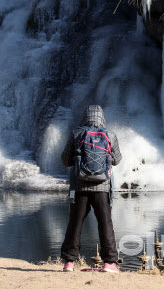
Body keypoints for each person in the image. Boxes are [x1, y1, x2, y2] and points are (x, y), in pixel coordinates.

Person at [60, 105, 122, 273]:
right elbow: (117, 160)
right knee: (105, 223)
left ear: (85, 117)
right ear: (102, 118)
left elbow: (65, 160)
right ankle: (109, 263)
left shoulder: (77, 134)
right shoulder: (110, 135)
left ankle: (69, 262)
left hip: (79, 187)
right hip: (102, 188)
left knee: (75, 222)